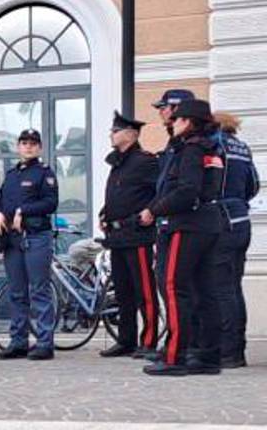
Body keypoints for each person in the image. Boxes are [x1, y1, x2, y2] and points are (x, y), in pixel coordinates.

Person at [139, 99, 226, 376]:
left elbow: (187, 191)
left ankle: (175, 356)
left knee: (175, 287)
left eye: (176, 119)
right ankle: (209, 356)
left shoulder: (190, 150)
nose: (172, 123)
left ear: (188, 122)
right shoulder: (213, 149)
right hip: (210, 224)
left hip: (187, 225)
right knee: (205, 290)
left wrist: (153, 210)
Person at [0, 129, 58, 361]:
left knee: (39, 290)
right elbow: (1, 201)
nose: (28, 147)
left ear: (39, 148)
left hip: (36, 236)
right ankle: (18, 341)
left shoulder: (44, 173)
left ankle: (44, 342)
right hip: (13, 239)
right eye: (24, 143)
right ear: (18, 147)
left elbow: (51, 203)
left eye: (33, 144)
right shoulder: (11, 176)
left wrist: (23, 210)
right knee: (17, 292)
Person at [98, 112, 160, 359]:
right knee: (123, 292)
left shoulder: (145, 161)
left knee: (144, 291)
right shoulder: (118, 162)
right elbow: (115, 196)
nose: (111, 134)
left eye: (115, 131)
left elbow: (161, 190)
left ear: (131, 135)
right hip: (117, 236)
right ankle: (126, 340)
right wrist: (104, 214)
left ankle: (149, 341)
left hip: (137, 235)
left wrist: (151, 211)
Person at [210, 112, 259, 368]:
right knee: (234, 286)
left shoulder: (215, 143)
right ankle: (237, 348)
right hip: (242, 220)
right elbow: (253, 186)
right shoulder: (243, 147)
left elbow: (210, 183)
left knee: (221, 287)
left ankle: (228, 351)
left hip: (222, 220)